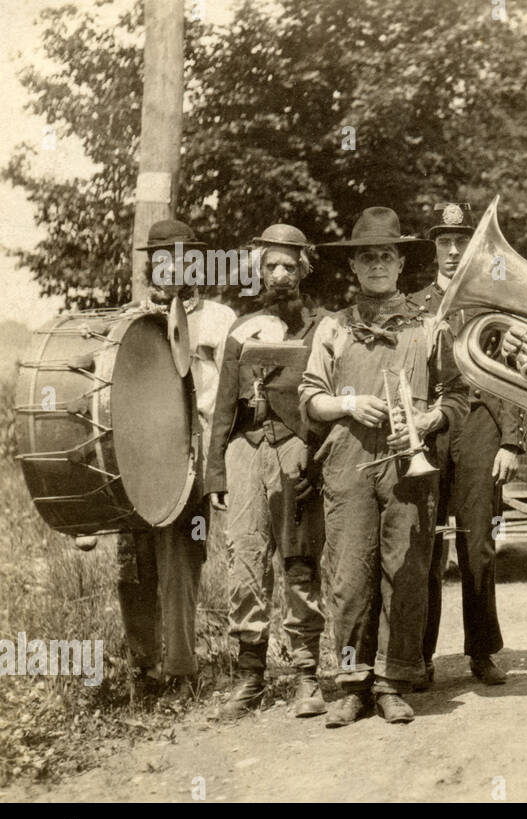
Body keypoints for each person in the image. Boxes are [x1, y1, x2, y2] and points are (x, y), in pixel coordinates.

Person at [300, 207, 469, 726]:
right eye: (366, 258)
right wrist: (348, 404)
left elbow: (457, 397)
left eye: (386, 256)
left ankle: (394, 680)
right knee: (349, 576)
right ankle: (352, 684)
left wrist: (426, 417)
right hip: (348, 463)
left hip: (408, 466)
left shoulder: (431, 325)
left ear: (400, 263)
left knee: (407, 571)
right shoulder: (332, 327)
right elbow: (310, 400)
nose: (376, 265)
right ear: (354, 268)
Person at [206, 224, 328, 720]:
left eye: (289, 265)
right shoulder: (240, 328)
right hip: (244, 449)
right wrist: (216, 474)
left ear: (304, 269)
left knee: (299, 560)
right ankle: (250, 677)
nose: (279, 274)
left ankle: (306, 676)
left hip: (296, 447)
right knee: (245, 560)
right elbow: (220, 408)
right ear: (257, 272)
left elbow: (325, 397)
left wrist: (315, 457)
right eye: (270, 266)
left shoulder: (322, 327)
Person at [117, 218, 235, 692]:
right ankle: (144, 669)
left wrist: (218, 466)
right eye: (162, 258)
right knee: (133, 564)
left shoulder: (219, 320)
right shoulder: (131, 320)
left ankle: (182, 671)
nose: (173, 266)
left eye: (185, 257)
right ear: (151, 266)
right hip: (134, 458)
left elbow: (228, 399)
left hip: (191, 457)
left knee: (182, 563)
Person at [411, 202, 523, 689]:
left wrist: (512, 443)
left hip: (481, 425)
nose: (453, 251)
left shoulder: (494, 307)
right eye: (444, 242)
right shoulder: (413, 306)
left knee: (477, 543)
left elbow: (513, 379)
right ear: (434, 247)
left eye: (461, 242)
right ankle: (419, 653)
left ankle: (481, 651)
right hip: (429, 428)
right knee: (425, 546)